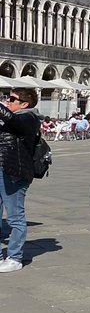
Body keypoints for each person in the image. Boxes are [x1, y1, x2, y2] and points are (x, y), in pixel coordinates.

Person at [0, 87, 41, 272]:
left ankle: (15, 257)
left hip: (14, 172)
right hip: (2, 169)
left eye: (12, 99)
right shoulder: (10, 119)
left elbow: (14, 121)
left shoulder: (29, 118)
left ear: (25, 104)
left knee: (15, 216)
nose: (8, 101)